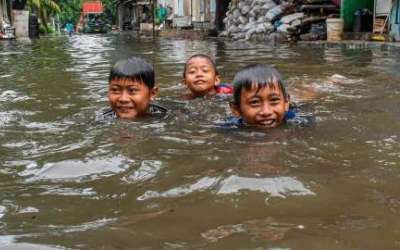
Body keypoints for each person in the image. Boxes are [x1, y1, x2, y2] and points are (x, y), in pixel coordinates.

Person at [227, 64, 296, 129]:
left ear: (286, 103)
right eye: (254, 102)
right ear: (236, 109)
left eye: (274, 100)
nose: (266, 112)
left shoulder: (296, 120)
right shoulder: (230, 129)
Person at [102, 57, 166, 120]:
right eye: (115, 90)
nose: (123, 99)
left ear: (152, 93)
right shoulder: (102, 119)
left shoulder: (168, 117)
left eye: (132, 90)